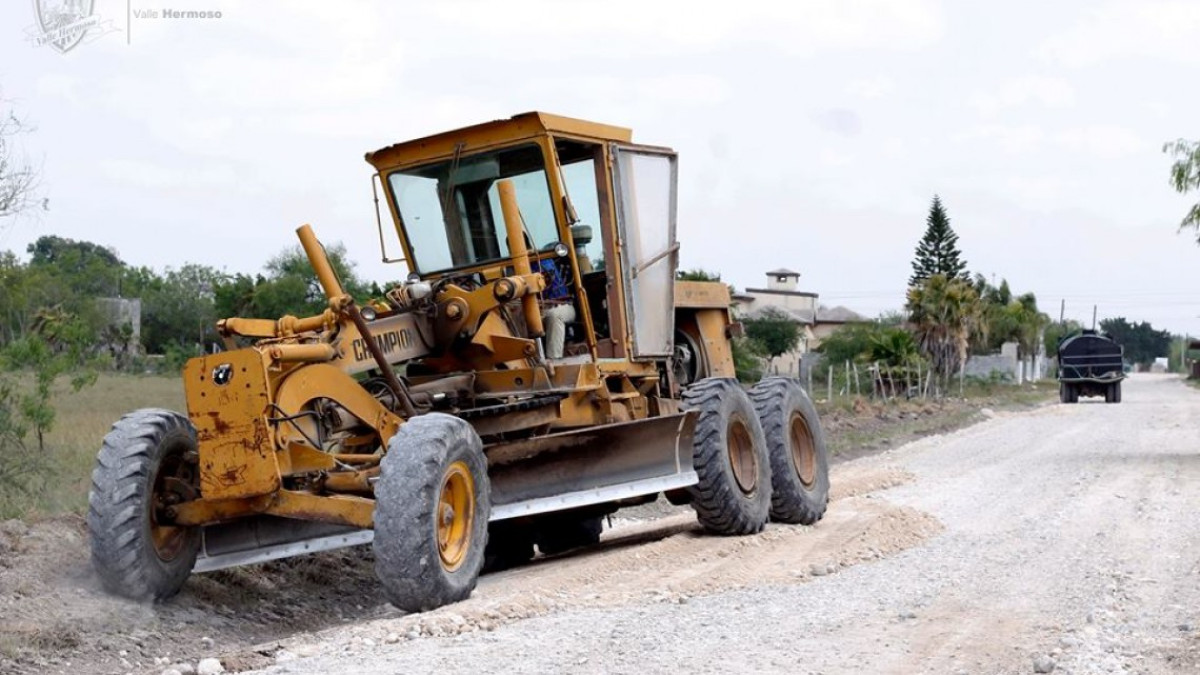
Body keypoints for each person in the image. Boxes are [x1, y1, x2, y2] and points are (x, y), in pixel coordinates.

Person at [539, 256, 575, 359]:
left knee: (555, 315)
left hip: (563, 305)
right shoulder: (510, 268)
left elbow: (547, 279)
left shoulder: (544, 262)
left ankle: (554, 360)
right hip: (536, 310)